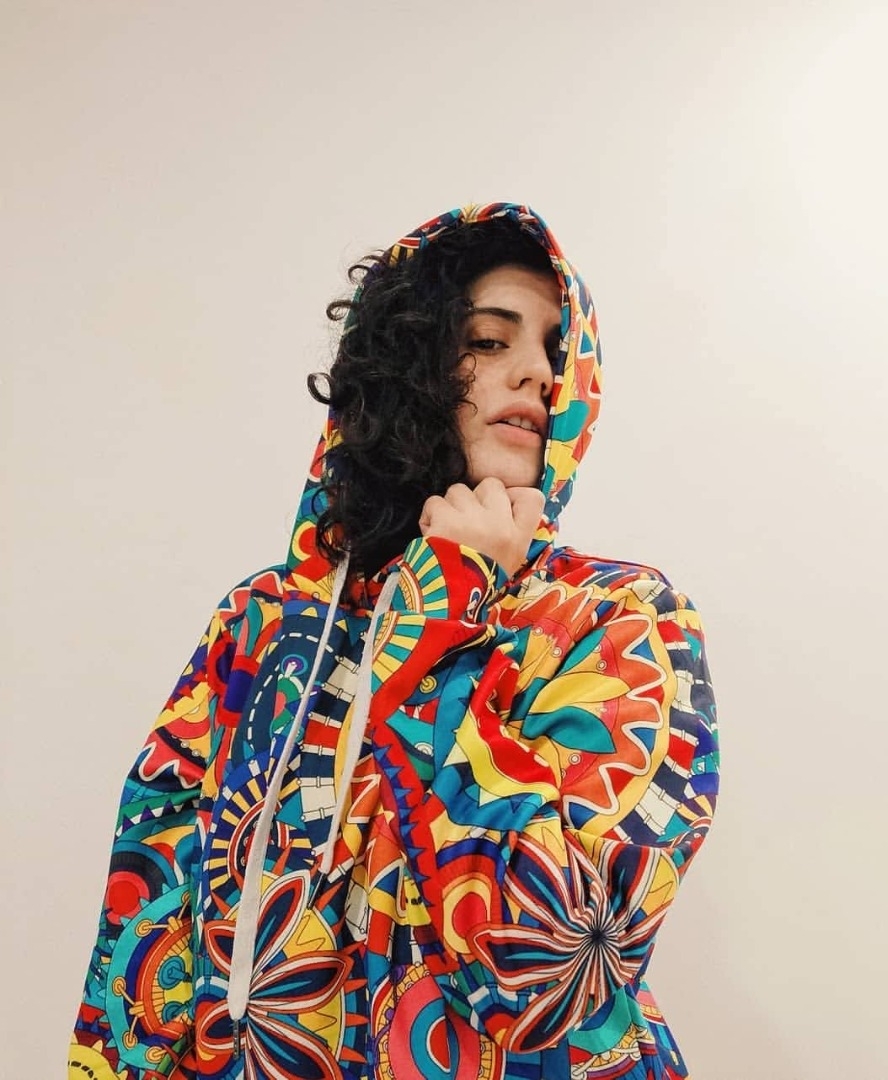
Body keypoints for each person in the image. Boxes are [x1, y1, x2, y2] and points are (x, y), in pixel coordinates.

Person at [69, 202, 719, 1080]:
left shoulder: (613, 617)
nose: (536, 372)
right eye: (488, 340)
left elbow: (556, 972)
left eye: (554, 352)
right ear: (408, 363)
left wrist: (438, 624)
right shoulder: (261, 625)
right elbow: (145, 926)